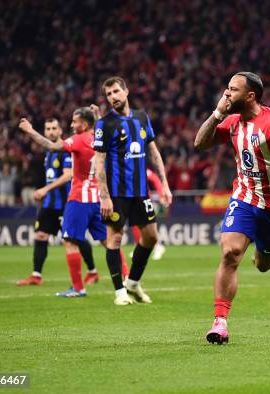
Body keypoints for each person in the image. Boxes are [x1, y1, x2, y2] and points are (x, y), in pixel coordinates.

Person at [194, 72, 270, 344]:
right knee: (230, 253)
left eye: (233, 90)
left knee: (262, 264)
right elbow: (199, 143)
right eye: (226, 88)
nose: (226, 94)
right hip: (244, 198)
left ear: (250, 96)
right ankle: (220, 322)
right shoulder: (233, 122)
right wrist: (216, 114)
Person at [93, 76, 172, 306]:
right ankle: (119, 292)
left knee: (151, 236)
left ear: (126, 91)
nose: (113, 97)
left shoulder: (141, 117)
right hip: (117, 193)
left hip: (140, 191)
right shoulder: (105, 124)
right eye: (108, 94)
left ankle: (133, 283)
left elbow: (154, 152)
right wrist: (104, 196)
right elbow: (99, 161)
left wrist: (164, 184)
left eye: (116, 91)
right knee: (115, 238)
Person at [16, 118, 99, 286]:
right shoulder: (49, 152)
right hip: (50, 204)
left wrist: (45, 190)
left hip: (67, 202)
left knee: (75, 239)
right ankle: (36, 275)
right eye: (48, 128)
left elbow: (68, 175)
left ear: (60, 131)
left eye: (54, 128)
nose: (51, 131)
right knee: (40, 235)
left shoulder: (66, 149)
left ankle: (92, 272)